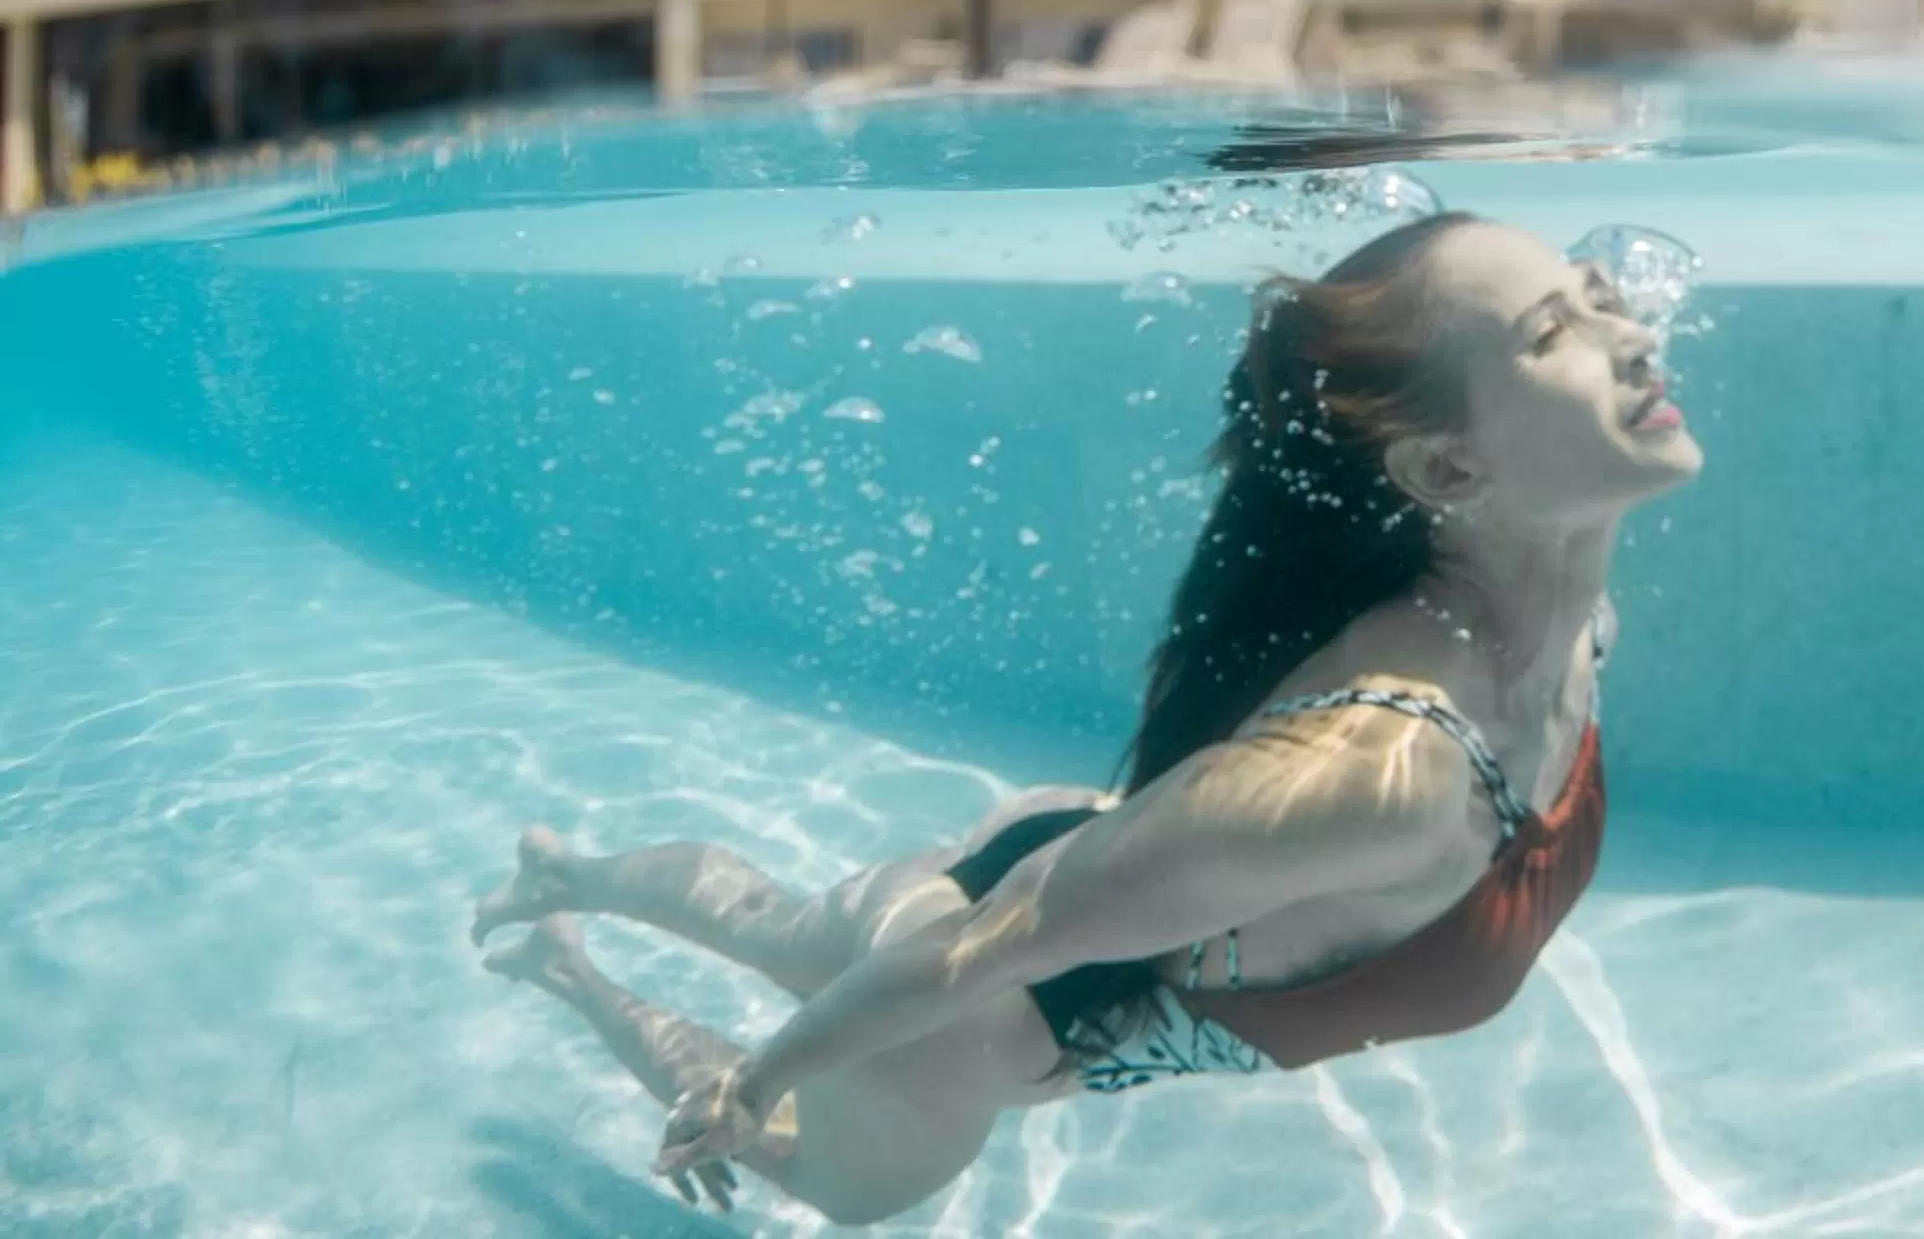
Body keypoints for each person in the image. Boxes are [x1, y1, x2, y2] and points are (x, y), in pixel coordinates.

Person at [472, 213, 1701, 1224]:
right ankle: (571, 966)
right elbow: (993, 950)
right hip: (966, 1017)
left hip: (1061, 869)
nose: (1634, 335)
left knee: (794, 931)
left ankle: (564, 873)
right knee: (820, 1170)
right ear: (1442, 471)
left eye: (1600, 295)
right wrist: (757, 1079)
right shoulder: (1390, 773)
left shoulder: (1569, 632)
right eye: (1557, 332)